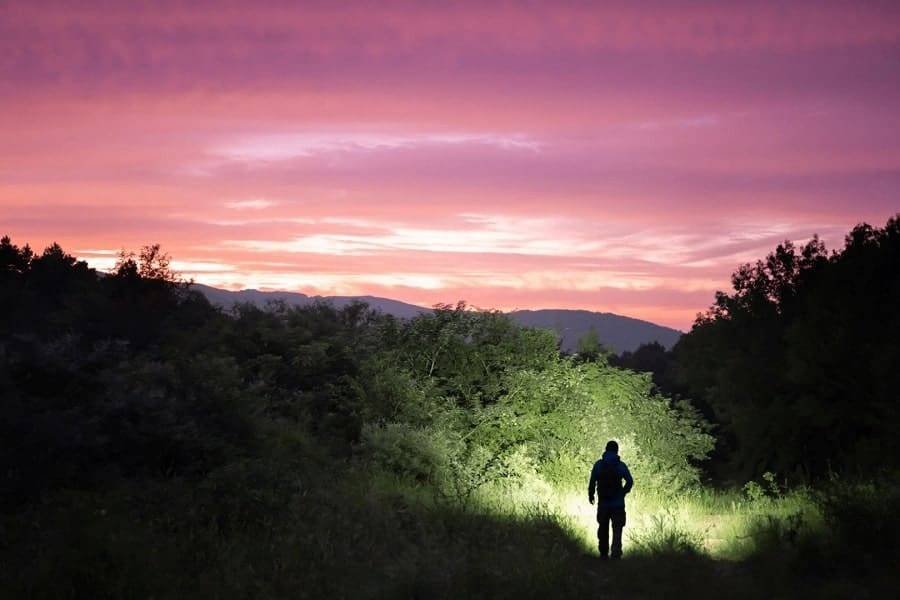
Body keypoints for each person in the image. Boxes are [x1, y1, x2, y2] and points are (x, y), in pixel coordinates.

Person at [588, 440, 634, 559]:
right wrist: (623, 492)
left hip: (603, 502)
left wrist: (591, 494)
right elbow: (630, 481)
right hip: (618, 503)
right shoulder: (620, 465)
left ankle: (603, 553)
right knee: (617, 528)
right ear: (617, 450)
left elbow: (593, 480)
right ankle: (616, 553)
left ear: (606, 449)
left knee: (603, 527)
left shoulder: (599, 464)